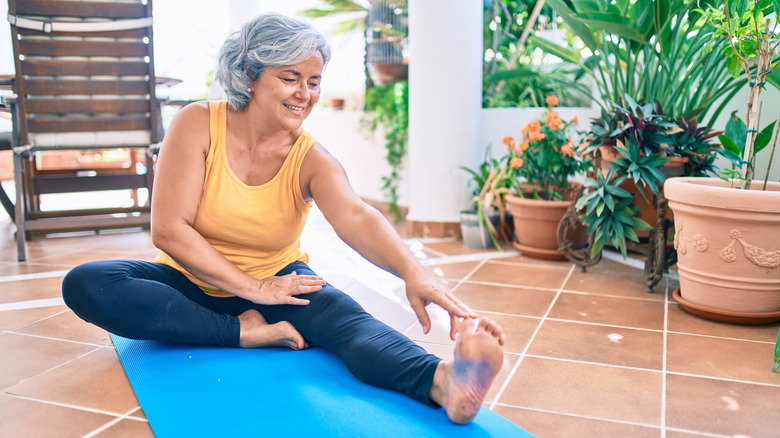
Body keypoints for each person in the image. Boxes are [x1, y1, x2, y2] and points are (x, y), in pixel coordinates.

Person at [62, 12, 505, 424]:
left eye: (314, 81)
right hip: (190, 281)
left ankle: (444, 382)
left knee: (351, 323)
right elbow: (168, 230)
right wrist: (252, 293)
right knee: (87, 283)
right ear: (250, 76)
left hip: (281, 282)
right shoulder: (197, 123)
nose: (305, 94)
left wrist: (414, 272)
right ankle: (241, 331)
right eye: (290, 78)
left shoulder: (311, 158)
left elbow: (355, 214)